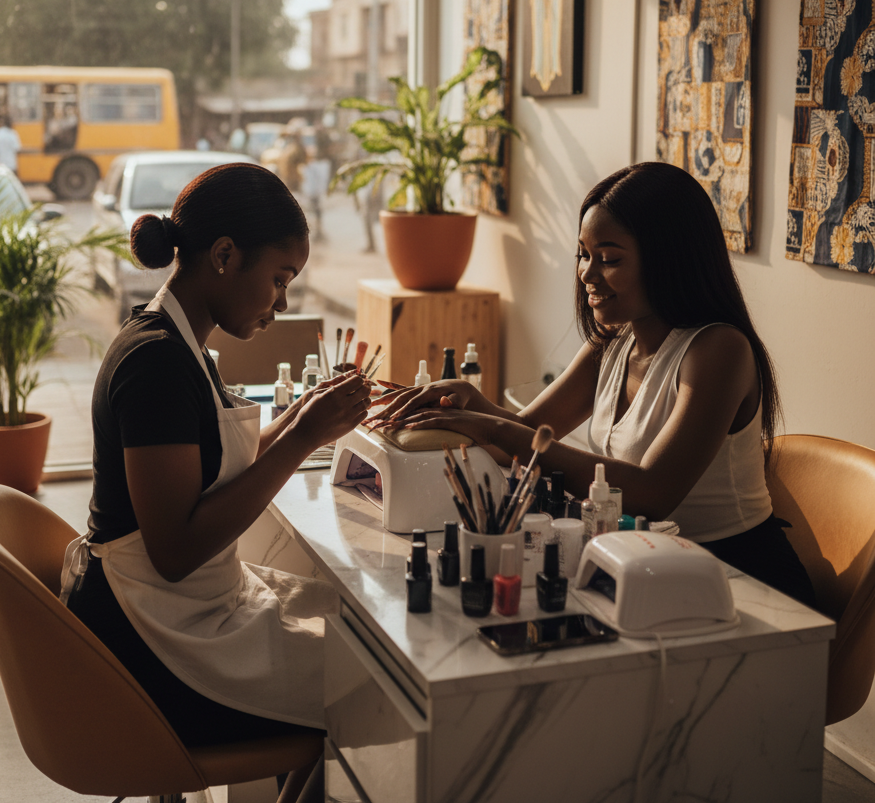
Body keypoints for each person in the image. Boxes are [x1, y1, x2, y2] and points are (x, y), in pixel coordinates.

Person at [370, 162, 816, 606]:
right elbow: (528, 432)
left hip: (738, 578)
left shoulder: (718, 350)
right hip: (647, 562)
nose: (586, 274)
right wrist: (475, 405)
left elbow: (651, 494)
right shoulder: (614, 343)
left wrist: (494, 427)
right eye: (584, 254)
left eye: (610, 258)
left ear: (670, 258)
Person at [60, 162, 369, 801]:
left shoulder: (181, 343)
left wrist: (299, 420)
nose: (282, 302)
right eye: (279, 280)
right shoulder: (156, 364)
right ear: (225, 255)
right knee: (370, 687)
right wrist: (306, 435)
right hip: (146, 632)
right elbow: (175, 551)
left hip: (173, 607)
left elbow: (214, 466)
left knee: (358, 632)